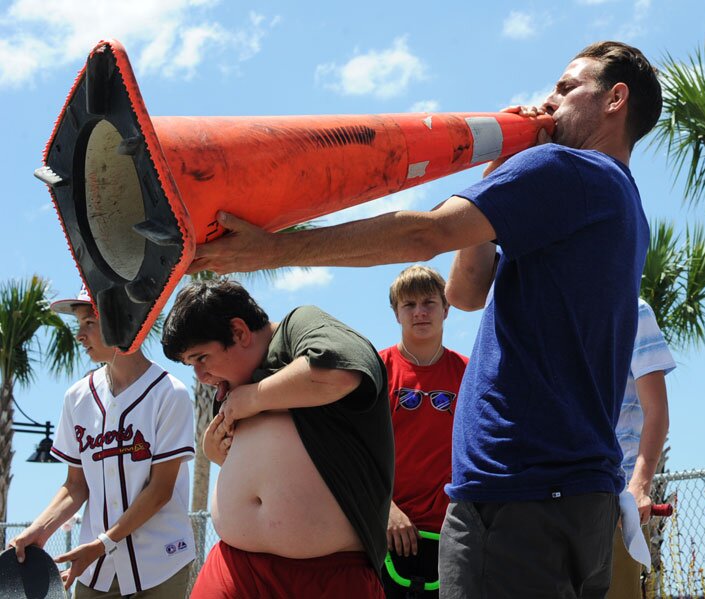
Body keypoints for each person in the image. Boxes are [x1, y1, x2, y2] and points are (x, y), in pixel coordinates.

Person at [187, 41, 662, 598]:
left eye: (565, 88)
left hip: (517, 494)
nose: (547, 102)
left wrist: (269, 250)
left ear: (615, 99)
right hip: (574, 498)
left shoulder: (566, 168)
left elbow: (427, 234)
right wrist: (500, 167)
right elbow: (466, 291)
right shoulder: (621, 201)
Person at [160, 279, 391, 598]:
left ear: (239, 332)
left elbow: (341, 369)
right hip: (232, 567)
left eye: (202, 358)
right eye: (191, 365)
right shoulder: (230, 386)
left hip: (328, 578)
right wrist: (217, 454)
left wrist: (253, 398)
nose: (200, 377)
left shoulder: (298, 326)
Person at [9, 285, 196, 597]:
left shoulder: (169, 393)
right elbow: (76, 485)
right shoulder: (77, 397)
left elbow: (161, 490)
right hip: (94, 567)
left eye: (90, 323)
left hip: (161, 564)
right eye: (79, 324)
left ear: (125, 319)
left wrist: (103, 544)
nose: (80, 335)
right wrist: (38, 531)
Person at [380, 265, 468, 598]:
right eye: (409, 304)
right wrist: (386, 509)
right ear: (396, 313)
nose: (420, 312)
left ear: (446, 309)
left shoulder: (470, 372)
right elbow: (352, 453)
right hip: (389, 534)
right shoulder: (376, 369)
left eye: (429, 302)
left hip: (455, 533)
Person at [608, 299, 676, 599]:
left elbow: (657, 410)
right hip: (555, 495)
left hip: (614, 499)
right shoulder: (551, 306)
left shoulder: (633, 310)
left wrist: (639, 486)